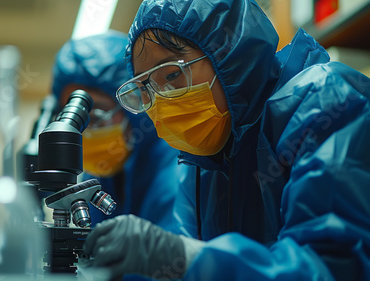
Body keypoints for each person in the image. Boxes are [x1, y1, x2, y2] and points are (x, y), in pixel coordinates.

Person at [83, 0, 370, 280]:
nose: (160, 102)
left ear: (230, 55)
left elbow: (330, 268)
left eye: (172, 74)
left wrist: (189, 258)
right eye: (147, 89)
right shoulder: (201, 161)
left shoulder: (325, 103)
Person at [50, 30, 181, 232]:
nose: (84, 131)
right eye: (74, 118)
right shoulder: (102, 178)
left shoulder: (176, 170)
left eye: (95, 117)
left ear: (132, 104)